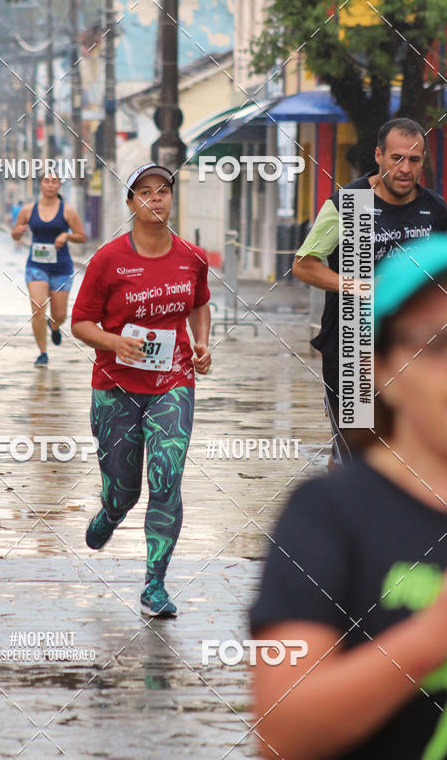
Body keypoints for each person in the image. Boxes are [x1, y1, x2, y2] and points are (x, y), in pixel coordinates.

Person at [251, 233, 447, 759]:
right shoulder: (329, 514)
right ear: (383, 369)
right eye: (438, 345)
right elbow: (282, 731)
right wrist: (431, 637)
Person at [71, 163, 212, 617]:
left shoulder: (192, 256)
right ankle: (110, 512)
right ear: (130, 203)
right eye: (145, 192)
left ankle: (155, 584)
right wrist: (115, 343)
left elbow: (200, 305)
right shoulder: (108, 260)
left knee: (167, 478)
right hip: (115, 387)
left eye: (163, 191)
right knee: (125, 488)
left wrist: (203, 343)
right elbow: (80, 323)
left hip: (173, 382)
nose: (156, 199)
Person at [293, 117, 447, 468]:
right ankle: (344, 508)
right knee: (356, 452)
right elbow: (304, 264)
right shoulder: (350, 203)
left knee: (410, 449)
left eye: (414, 160)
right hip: (351, 346)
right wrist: (356, 286)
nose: (405, 169)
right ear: (378, 155)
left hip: (415, 349)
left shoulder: (435, 210)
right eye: (396, 158)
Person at [11, 173, 85, 366]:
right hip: (36, 266)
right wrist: (17, 233)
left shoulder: (68, 211)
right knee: (38, 308)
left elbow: (81, 236)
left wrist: (66, 236)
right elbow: (16, 235)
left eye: (55, 181)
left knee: (60, 315)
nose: (51, 185)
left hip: (62, 267)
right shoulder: (28, 210)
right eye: (47, 181)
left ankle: (53, 326)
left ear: (59, 186)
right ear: (41, 185)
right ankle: (42, 353)